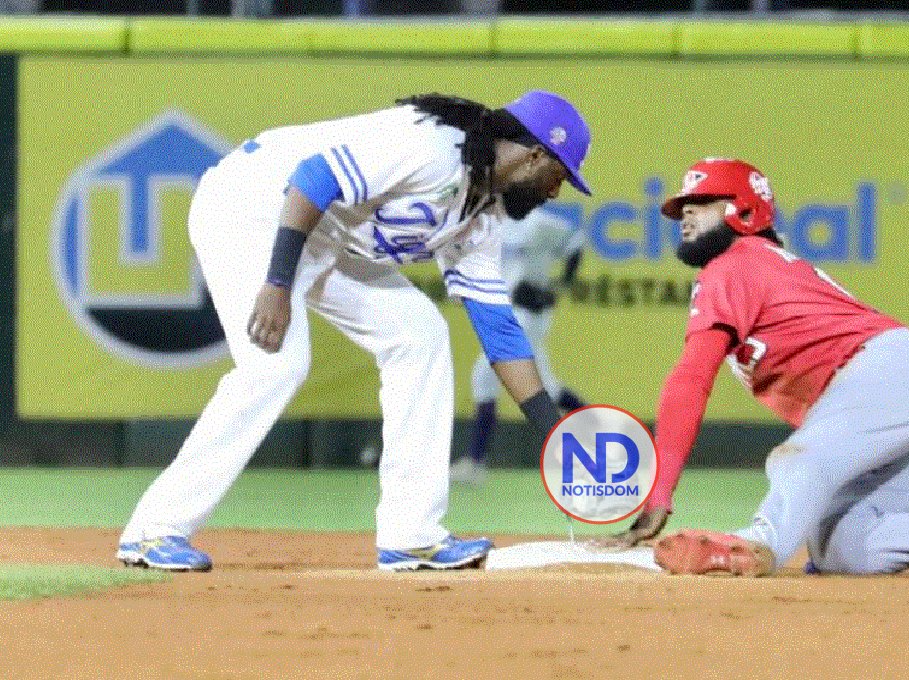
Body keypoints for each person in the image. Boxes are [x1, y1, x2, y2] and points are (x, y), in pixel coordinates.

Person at [116, 90, 592, 572]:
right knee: (277, 365)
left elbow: (500, 332)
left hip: (327, 237)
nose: (557, 191)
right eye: (560, 176)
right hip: (253, 206)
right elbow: (313, 179)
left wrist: (552, 433)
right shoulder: (432, 148)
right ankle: (154, 532)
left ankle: (412, 534)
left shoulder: (481, 217)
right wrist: (277, 283)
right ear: (535, 155)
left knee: (420, 333)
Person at [611, 158, 909, 580]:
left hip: (888, 377)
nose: (686, 213)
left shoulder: (735, 263)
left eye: (704, 200)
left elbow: (691, 379)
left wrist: (659, 493)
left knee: (799, 460)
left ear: (747, 211)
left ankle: (754, 546)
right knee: (847, 547)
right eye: (682, 206)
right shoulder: (758, 265)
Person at [449, 206, 588, 485]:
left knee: (484, 375)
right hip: (505, 309)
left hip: (527, 312)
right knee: (546, 386)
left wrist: (559, 285)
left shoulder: (540, 223)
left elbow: (576, 241)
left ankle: (475, 463)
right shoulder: (491, 224)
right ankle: (608, 435)